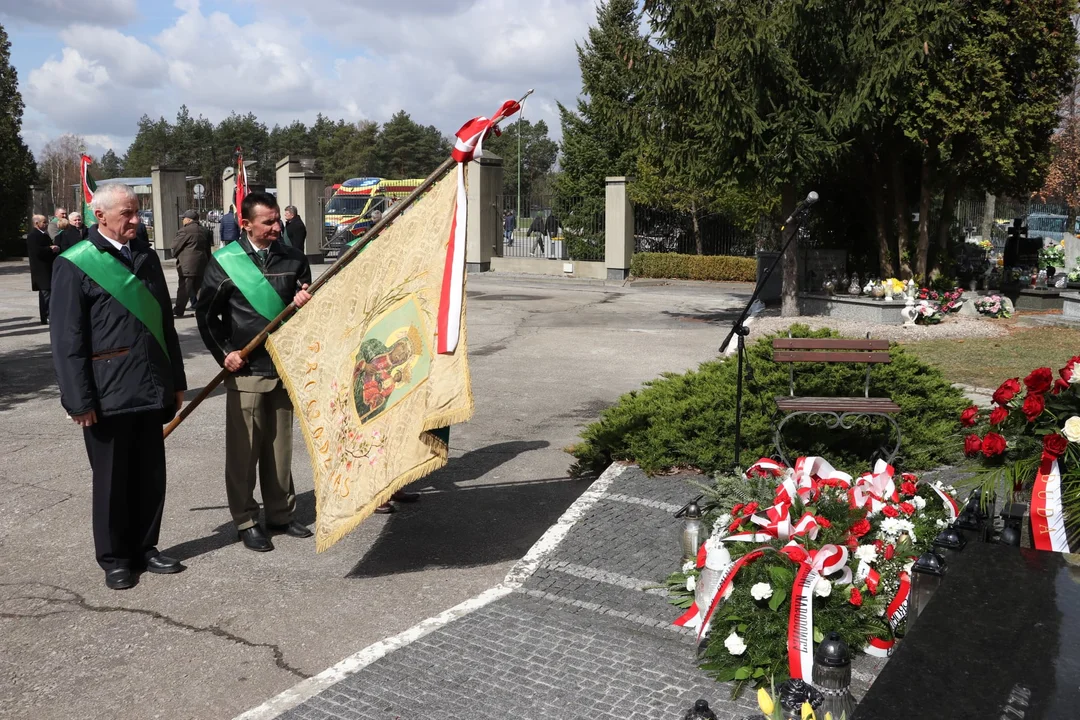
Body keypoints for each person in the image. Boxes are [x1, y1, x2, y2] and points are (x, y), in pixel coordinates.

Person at [49, 183, 187, 590]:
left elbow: (165, 325)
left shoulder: (144, 256)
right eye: (127, 213)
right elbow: (67, 340)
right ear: (100, 216)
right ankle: (114, 558)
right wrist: (78, 400)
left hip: (150, 387)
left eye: (137, 212)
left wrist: (176, 381)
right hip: (106, 395)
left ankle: (146, 547)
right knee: (111, 481)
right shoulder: (75, 263)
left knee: (149, 474)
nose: (136, 219)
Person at [196, 191, 314, 552]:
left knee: (280, 448)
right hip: (247, 370)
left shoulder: (294, 259)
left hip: (283, 368)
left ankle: (281, 514)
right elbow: (206, 316)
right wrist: (225, 353)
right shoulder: (224, 262)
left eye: (278, 220)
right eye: (268, 222)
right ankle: (246, 520)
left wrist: (303, 306)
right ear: (245, 223)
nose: (277, 227)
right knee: (244, 452)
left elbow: (307, 316)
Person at [171, 210, 211, 318]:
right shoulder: (204, 231)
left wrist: (176, 255)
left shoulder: (184, 231)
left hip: (187, 266)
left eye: (183, 218)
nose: (182, 220)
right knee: (200, 289)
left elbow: (175, 247)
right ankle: (205, 310)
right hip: (202, 264)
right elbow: (208, 249)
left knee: (184, 289)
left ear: (188, 220)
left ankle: (179, 310)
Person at [27, 214, 58, 324]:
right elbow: (37, 251)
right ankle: (46, 316)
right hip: (41, 270)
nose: (46, 224)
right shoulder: (33, 236)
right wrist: (50, 249)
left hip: (48, 268)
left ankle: (48, 315)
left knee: (48, 293)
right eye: (44, 222)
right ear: (37, 223)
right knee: (45, 294)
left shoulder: (44, 235)